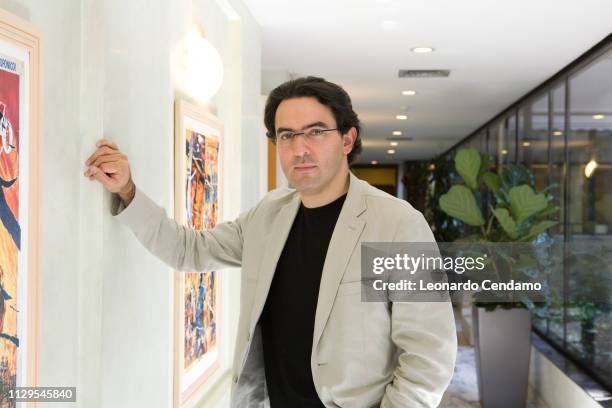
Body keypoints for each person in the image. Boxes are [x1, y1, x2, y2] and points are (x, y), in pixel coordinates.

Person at [83, 76, 457, 407]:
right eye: (287, 135)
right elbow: (189, 250)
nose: (300, 148)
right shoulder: (269, 215)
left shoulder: (396, 224)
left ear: (347, 139)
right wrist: (127, 190)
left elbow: (429, 356)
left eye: (315, 132)